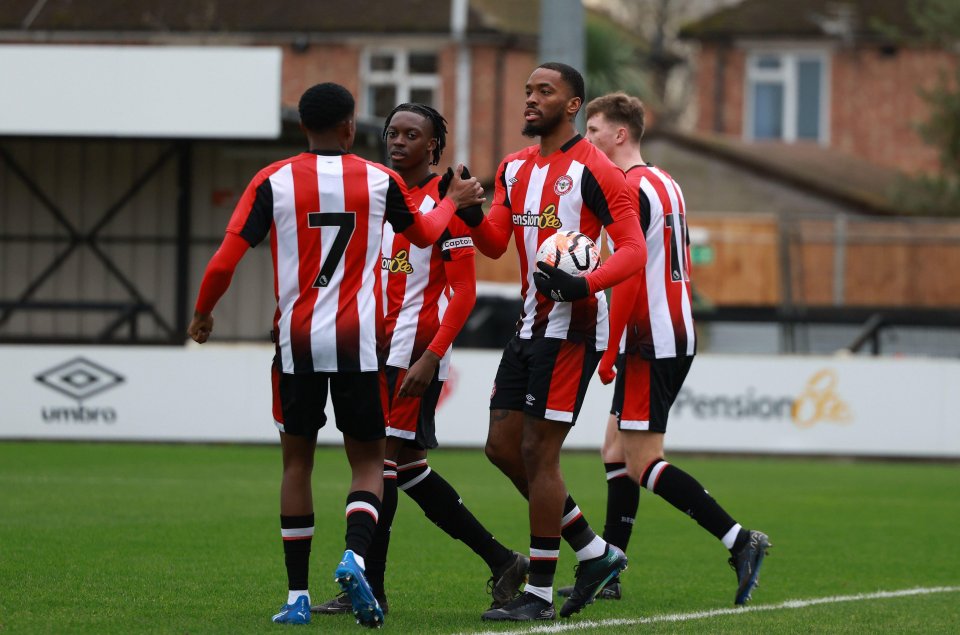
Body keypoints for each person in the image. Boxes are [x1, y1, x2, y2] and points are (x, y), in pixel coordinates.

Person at [187, 83, 485, 628]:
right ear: (352, 128)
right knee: (371, 462)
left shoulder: (271, 181)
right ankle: (354, 556)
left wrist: (205, 312)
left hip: (296, 342)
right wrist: (452, 202)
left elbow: (224, 262)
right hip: (359, 342)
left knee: (296, 464)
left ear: (303, 126)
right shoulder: (380, 180)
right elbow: (423, 236)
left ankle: (297, 595)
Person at [311, 103, 528, 617]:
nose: (399, 141)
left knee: (380, 464)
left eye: (412, 134)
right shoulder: (381, 192)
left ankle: (367, 587)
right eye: (392, 132)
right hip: (372, 349)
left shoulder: (445, 198)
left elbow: (465, 291)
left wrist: (431, 357)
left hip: (413, 353)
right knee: (403, 467)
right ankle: (501, 560)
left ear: (434, 145)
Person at [558, 91, 770, 606]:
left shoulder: (626, 188)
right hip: (676, 328)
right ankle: (610, 569)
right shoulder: (665, 180)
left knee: (643, 461)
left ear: (620, 135)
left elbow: (629, 275)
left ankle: (739, 539)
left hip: (647, 337)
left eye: (594, 130)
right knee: (615, 451)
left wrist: (609, 353)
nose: (588, 140)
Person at [453, 62, 647, 621]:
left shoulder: (597, 170)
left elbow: (632, 250)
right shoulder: (513, 168)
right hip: (530, 323)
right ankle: (592, 550)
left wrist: (583, 281)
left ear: (573, 106)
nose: (530, 100)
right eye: (527, 92)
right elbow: (493, 244)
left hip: (575, 326)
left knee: (540, 453)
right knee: (501, 446)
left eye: (544, 92)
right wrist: (467, 208)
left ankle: (538, 593)